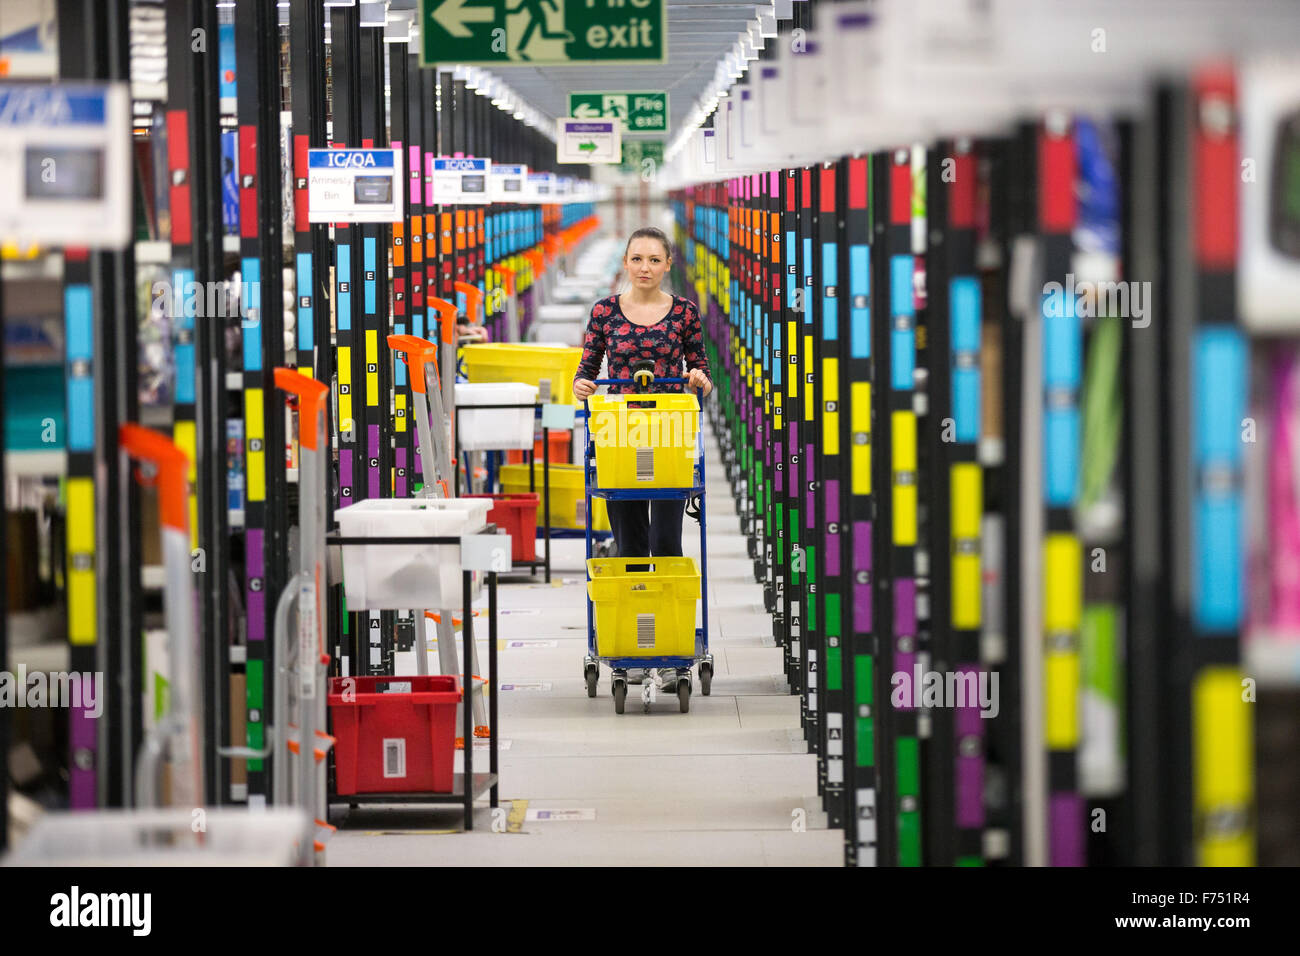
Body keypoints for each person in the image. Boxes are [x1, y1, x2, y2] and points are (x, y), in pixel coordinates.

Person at [573, 227, 712, 690]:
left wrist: (698, 380)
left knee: (667, 543)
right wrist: (584, 386)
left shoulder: (686, 313)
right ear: (626, 262)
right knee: (630, 546)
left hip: (669, 434)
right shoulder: (605, 313)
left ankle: (669, 652)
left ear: (668, 264)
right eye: (637, 259)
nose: (645, 267)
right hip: (620, 438)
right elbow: (586, 371)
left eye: (654, 259)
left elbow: (702, 371)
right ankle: (635, 646)